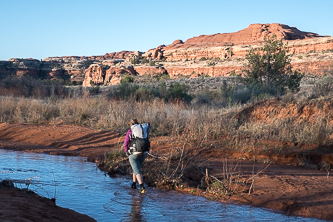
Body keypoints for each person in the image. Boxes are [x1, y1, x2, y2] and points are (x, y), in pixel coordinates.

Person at [124, 119, 148, 193]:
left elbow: (126, 142)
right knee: (136, 168)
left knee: (137, 170)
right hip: (144, 153)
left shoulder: (130, 131)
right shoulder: (142, 131)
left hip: (134, 154)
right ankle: (134, 184)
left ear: (131, 125)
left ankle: (142, 187)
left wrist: (126, 151)